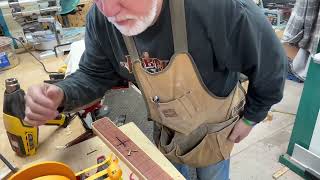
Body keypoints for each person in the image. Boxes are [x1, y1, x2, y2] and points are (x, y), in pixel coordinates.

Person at [24, 0, 287, 179]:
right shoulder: (103, 19)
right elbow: (95, 74)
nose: (110, 9)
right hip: (167, 128)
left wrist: (252, 116)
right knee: (170, 173)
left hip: (218, 130)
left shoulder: (218, 9)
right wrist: (62, 93)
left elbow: (270, 66)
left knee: (213, 172)